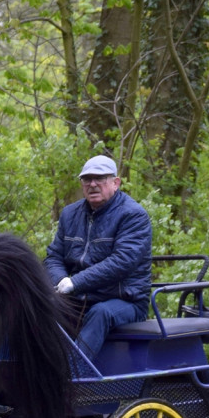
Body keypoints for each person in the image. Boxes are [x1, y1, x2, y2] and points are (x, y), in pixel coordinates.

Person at [44, 154, 152, 361]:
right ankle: (37, 369)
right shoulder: (69, 214)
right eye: (87, 179)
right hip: (79, 297)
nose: (92, 184)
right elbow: (54, 256)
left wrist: (75, 282)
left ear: (115, 183)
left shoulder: (133, 215)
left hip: (125, 300)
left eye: (100, 178)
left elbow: (122, 262)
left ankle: (75, 377)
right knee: (40, 306)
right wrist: (60, 281)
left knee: (100, 313)